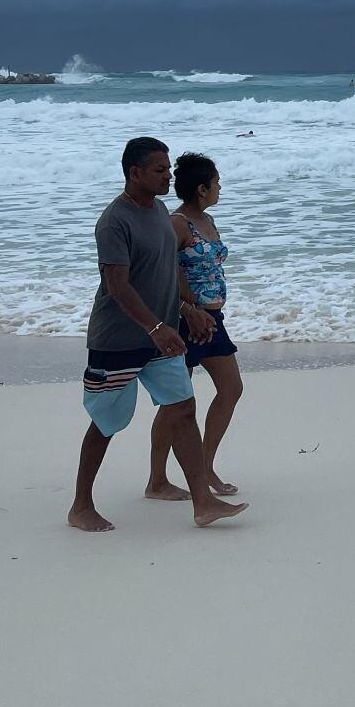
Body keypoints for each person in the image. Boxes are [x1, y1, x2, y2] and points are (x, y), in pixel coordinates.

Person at [68, 137, 247, 532]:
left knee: (183, 408)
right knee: (107, 422)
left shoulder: (160, 211)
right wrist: (155, 326)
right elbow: (118, 286)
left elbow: (169, 272)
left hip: (162, 336)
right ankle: (80, 506)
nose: (169, 177)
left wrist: (187, 311)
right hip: (118, 339)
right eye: (160, 171)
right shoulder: (114, 221)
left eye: (169, 170)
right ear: (135, 173)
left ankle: (203, 502)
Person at [146, 153, 245, 500]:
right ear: (202, 188)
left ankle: (204, 467)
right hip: (186, 320)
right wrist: (188, 309)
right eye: (216, 183)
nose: (220, 188)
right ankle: (157, 480)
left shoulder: (208, 219)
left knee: (231, 389)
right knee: (175, 404)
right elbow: (163, 271)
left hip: (212, 319)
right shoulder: (177, 224)